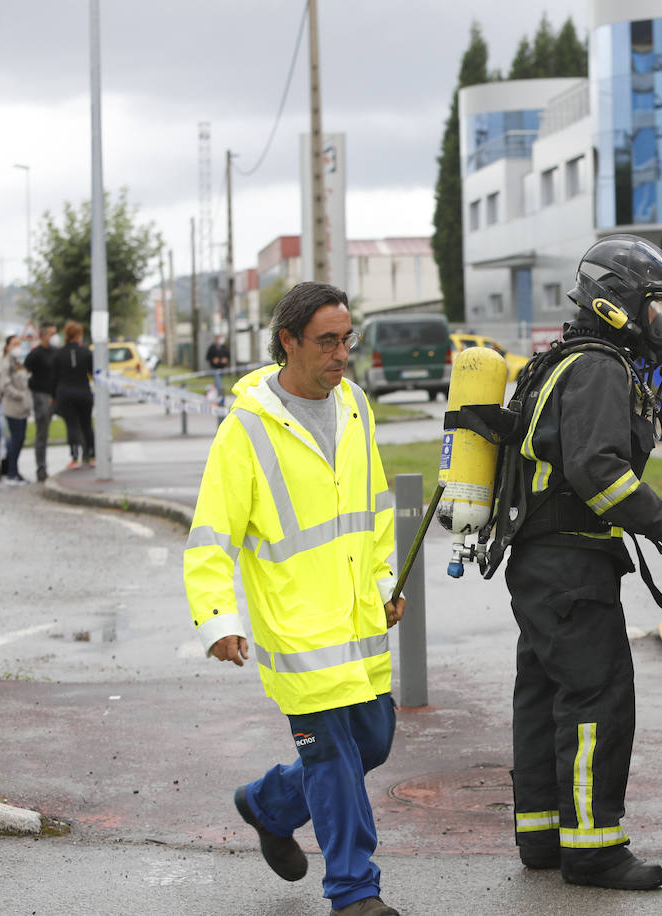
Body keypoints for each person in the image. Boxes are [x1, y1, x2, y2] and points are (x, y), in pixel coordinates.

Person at [183, 281, 402, 916]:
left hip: (358, 620)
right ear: (288, 342)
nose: (341, 354)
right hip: (297, 627)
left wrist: (387, 584)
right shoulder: (245, 431)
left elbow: (375, 508)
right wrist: (217, 619)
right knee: (333, 755)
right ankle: (354, 890)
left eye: (346, 339)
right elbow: (209, 535)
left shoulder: (355, 403)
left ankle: (267, 805)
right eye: (327, 341)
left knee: (375, 742)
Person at [496, 235, 662, 890]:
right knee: (596, 699)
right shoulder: (596, 369)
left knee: (544, 697)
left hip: (542, 563)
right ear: (619, 305)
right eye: (653, 308)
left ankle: (543, 835)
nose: (658, 323)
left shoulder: (567, 361)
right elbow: (598, 472)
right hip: (569, 564)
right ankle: (593, 847)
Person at [53, 320, 95, 469]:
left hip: (65, 393)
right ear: (78, 335)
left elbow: (55, 376)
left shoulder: (59, 353)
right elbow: (94, 372)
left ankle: (74, 457)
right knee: (86, 424)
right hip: (83, 392)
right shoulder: (86, 352)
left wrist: (54, 396)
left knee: (72, 425)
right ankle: (91, 455)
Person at [24, 323, 59, 482]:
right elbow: (26, 370)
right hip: (42, 396)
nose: (54, 336)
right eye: (51, 333)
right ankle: (41, 468)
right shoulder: (35, 354)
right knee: (42, 432)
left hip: (57, 394)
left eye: (55, 333)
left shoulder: (56, 352)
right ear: (43, 336)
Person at [0, 334, 32, 484]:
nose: (18, 347)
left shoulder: (17, 362)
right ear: (7, 347)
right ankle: (11, 473)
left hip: (21, 409)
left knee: (18, 440)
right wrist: (20, 395)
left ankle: (14, 471)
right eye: (14, 344)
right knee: (16, 441)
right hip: (12, 408)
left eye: (19, 343)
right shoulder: (6, 363)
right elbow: (4, 385)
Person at [206, 334, 230, 403]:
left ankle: (214, 391)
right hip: (215, 368)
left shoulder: (224, 347)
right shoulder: (212, 347)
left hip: (222, 368)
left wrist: (226, 359)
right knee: (218, 383)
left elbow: (228, 356)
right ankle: (220, 400)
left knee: (217, 383)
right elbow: (208, 357)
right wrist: (213, 360)